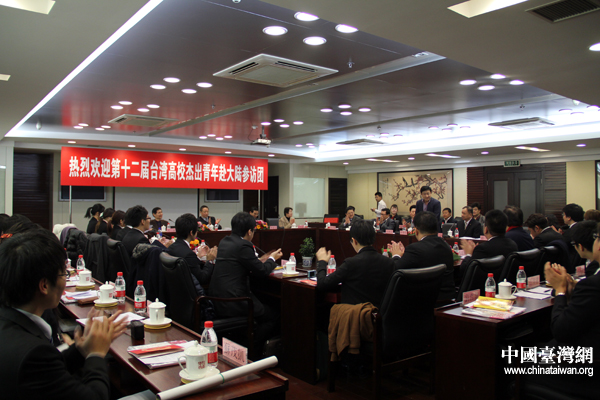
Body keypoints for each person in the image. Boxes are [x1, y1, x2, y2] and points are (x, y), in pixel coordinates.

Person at [0, 229, 127, 399]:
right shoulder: (34, 355)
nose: (65, 280)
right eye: (64, 274)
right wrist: (96, 354)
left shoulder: (11, 325)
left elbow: (50, 376)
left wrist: (79, 351)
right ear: (44, 286)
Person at [530, 226, 600, 399]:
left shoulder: (593, 284)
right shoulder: (591, 284)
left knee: (515, 358)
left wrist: (560, 291)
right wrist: (575, 290)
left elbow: (561, 331)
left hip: (583, 368)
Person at [209, 212, 282, 350]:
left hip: (217, 298)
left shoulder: (225, 241)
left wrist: (258, 261)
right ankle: (250, 348)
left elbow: (241, 262)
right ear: (249, 231)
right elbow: (262, 271)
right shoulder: (243, 245)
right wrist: (272, 259)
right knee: (274, 315)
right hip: (236, 300)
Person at [315, 219, 395, 308]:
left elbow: (322, 284)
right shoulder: (389, 262)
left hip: (355, 315)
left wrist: (322, 261)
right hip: (379, 314)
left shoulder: (351, 263)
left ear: (354, 241)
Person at [388, 211, 455, 301]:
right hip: (447, 299)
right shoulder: (446, 246)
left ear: (416, 231)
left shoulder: (415, 249)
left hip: (424, 301)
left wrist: (396, 255)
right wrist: (405, 255)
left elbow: (395, 271)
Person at [168, 213, 217, 289]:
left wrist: (198, 257)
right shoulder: (189, 254)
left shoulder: (171, 247)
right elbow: (203, 279)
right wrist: (210, 260)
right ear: (191, 233)